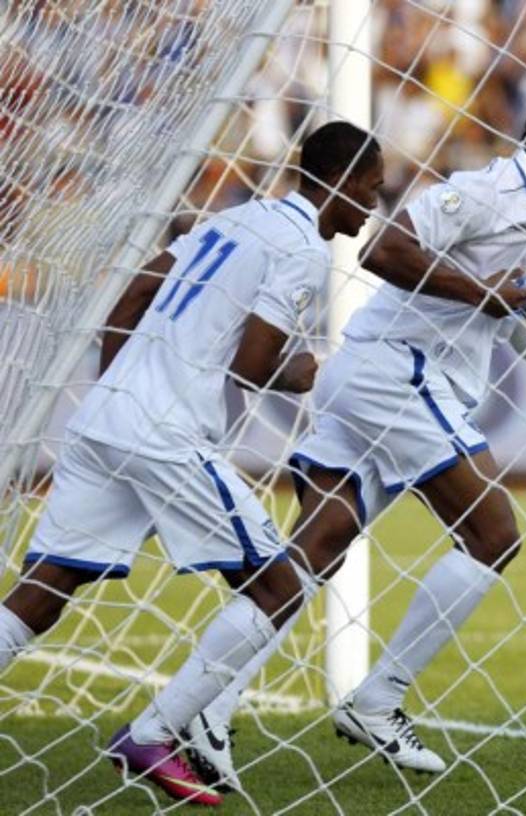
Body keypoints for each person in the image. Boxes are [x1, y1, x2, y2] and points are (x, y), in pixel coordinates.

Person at [179, 83, 526, 789]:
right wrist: (485, 294)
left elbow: (520, 324)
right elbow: (383, 252)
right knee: (492, 535)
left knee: (314, 548)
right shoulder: (483, 192)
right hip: (396, 368)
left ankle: (204, 707)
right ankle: (379, 699)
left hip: (403, 380)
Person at [0, 122, 385, 805]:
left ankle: (162, 731)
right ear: (344, 183)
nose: (373, 207)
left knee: (47, 585)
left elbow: (133, 295)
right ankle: (155, 732)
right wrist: (300, 374)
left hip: (103, 419)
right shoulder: (300, 248)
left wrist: (116, 394)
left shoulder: (231, 218)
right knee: (279, 587)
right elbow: (255, 363)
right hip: (165, 433)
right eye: (372, 191)